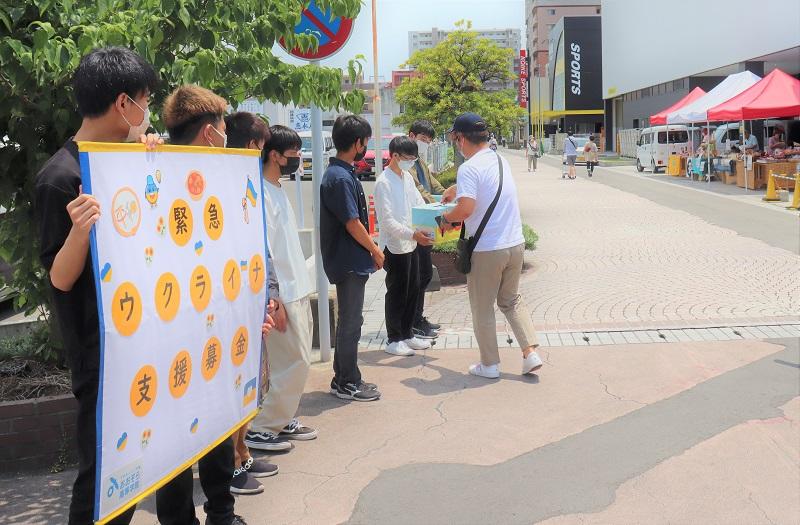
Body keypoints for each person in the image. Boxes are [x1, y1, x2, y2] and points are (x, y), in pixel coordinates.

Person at [35, 46, 158, 525]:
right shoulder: (60, 177)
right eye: (145, 100)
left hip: (139, 339)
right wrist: (80, 231)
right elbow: (59, 278)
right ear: (123, 103)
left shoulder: (122, 161)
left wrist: (152, 163)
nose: (146, 112)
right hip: (100, 351)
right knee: (103, 477)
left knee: (136, 468)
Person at [157, 84, 251, 525]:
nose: (226, 136)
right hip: (172, 328)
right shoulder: (150, 169)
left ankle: (221, 511)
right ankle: (184, 519)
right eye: (223, 128)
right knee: (174, 439)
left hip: (215, 322)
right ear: (209, 132)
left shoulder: (226, 176)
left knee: (217, 421)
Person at [439, 113, 542, 380]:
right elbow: (484, 186)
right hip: (515, 245)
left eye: (455, 138)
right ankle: (530, 353)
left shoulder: (468, 168)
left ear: (461, 138)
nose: (456, 144)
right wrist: (455, 188)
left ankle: (490, 364)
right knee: (510, 300)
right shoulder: (500, 160)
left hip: (488, 250)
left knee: (482, 307)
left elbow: (466, 208)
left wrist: (444, 217)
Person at [244, 124, 319, 452]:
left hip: (297, 287)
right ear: (274, 155)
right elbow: (265, 251)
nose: (298, 159)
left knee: (288, 362)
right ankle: (262, 428)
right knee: (297, 360)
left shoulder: (276, 188)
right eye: (294, 154)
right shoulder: (259, 192)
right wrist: (273, 298)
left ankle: (282, 415)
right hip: (284, 292)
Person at [222, 112, 281, 496]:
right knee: (232, 388)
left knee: (252, 385)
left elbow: (263, 248)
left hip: (255, 300)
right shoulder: (220, 184)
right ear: (249, 145)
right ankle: (230, 463)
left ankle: (241, 451)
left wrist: (271, 292)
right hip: (230, 306)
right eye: (260, 147)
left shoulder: (249, 187)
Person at [320, 114, 383, 402]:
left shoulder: (343, 172)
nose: (366, 147)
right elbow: (352, 222)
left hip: (349, 259)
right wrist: (375, 249)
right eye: (366, 141)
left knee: (350, 321)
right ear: (357, 143)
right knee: (351, 322)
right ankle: (347, 381)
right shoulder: (339, 177)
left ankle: (342, 377)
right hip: (348, 261)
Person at [374, 136, 434, 357]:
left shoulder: (407, 178)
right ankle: (394, 337)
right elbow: (387, 221)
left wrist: (431, 219)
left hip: (412, 242)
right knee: (397, 291)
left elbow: (418, 204)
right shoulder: (383, 182)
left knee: (413, 288)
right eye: (408, 158)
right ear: (395, 156)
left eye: (413, 158)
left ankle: (408, 333)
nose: (411, 162)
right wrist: (412, 234)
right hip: (395, 245)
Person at [407, 120, 444, 340]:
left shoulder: (419, 161)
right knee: (420, 275)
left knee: (425, 273)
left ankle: (418, 318)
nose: (426, 144)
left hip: (425, 223)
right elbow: (419, 189)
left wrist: (449, 192)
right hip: (414, 225)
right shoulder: (406, 163)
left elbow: (432, 183)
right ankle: (413, 321)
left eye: (429, 141)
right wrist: (435, 203)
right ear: (411, 136)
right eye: (423, 140)